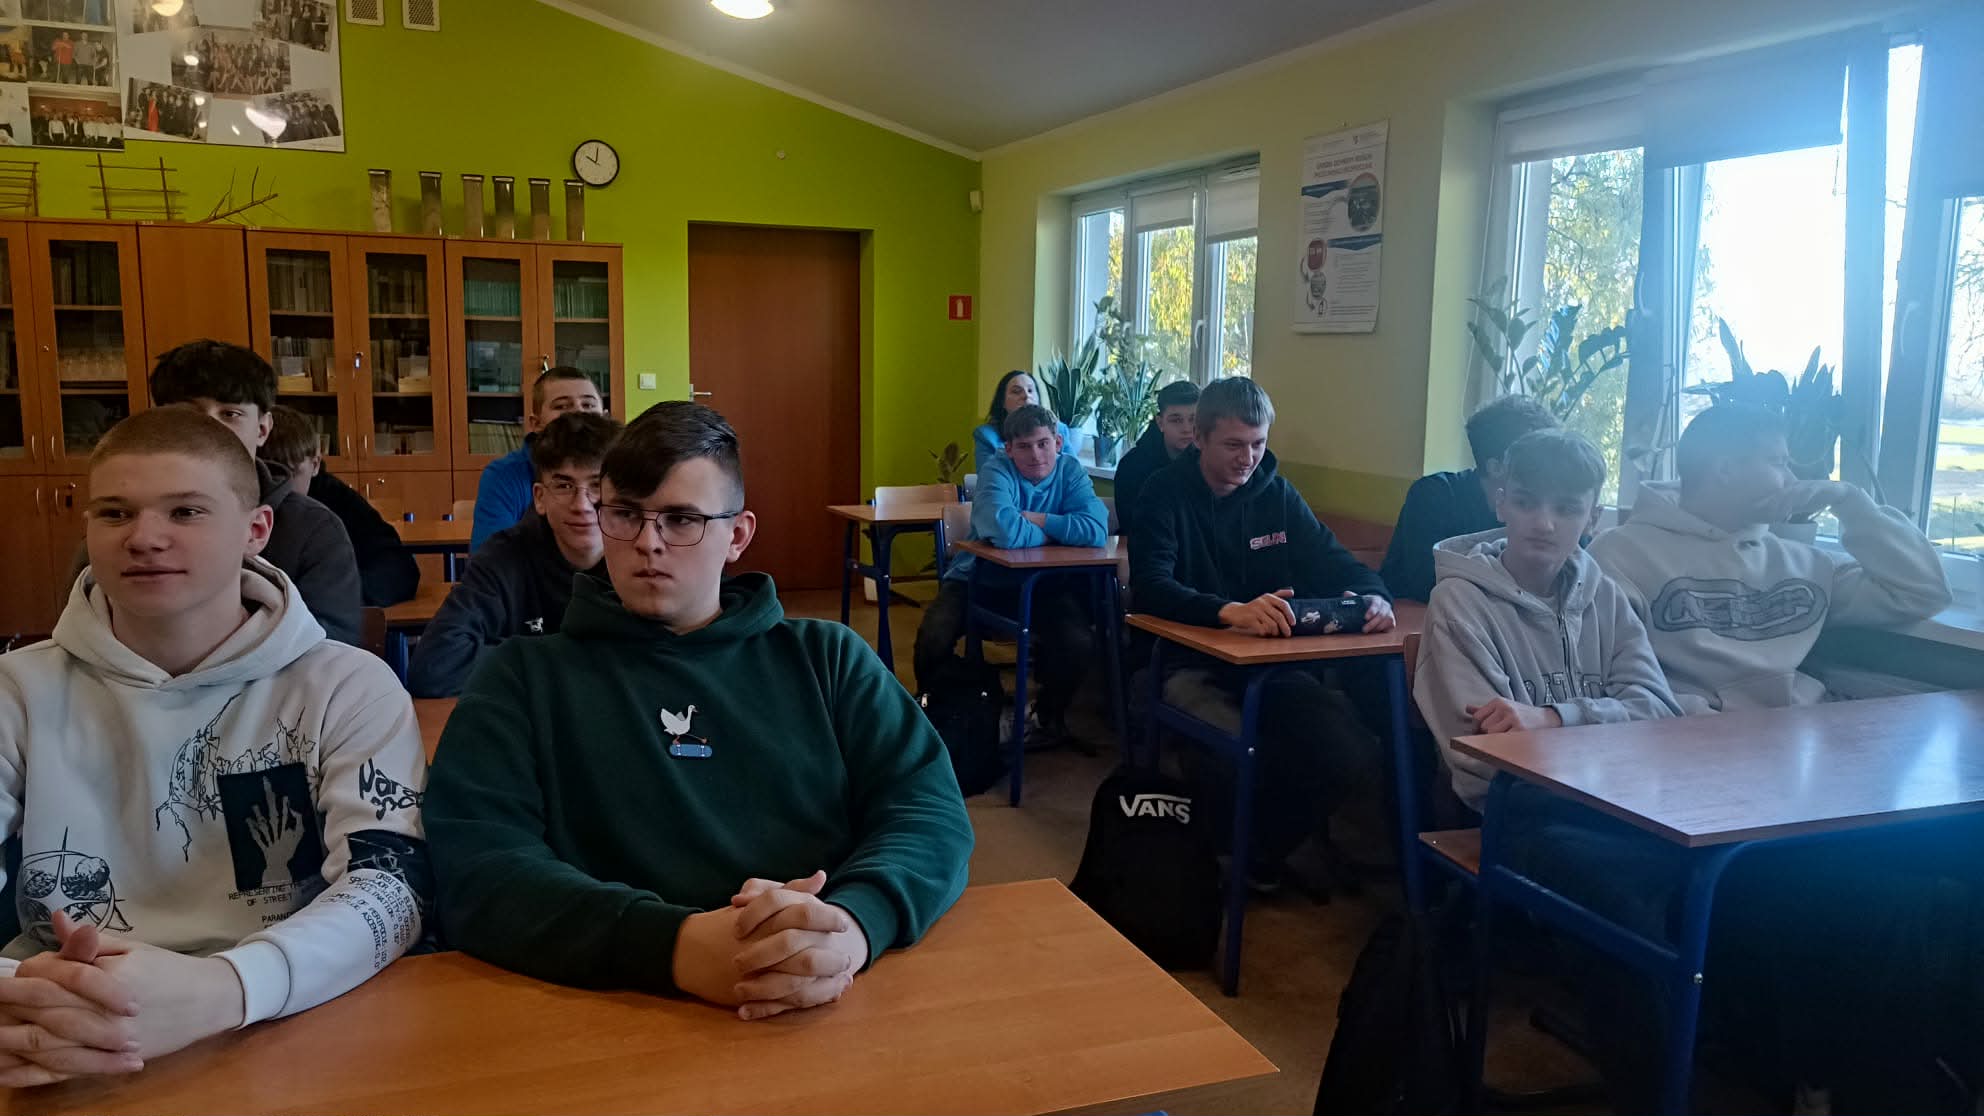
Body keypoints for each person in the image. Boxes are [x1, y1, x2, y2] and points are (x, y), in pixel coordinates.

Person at [423, 402, 973, 1020]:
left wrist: (854, 922)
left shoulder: (829, 660)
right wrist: (672, 946)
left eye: (682, 519)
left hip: (826, 1001)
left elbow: (928, 811)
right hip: (610, 1015)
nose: (647, 542)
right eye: (625, 514)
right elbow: (478, 865)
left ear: (737, 536)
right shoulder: (522, 678)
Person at [0, 407, 429, 1088]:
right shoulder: (17, 689)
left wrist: (228, 987)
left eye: (185, 512)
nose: (145, 538)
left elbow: (390, 888)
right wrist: (26, 995)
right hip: (56, 1016)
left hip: (293, 1013)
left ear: (256, 530)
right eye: (114, 513)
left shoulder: (347, 686)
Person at [1130, 377, 1394, 885]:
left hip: (1267, 666)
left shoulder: (1277, 494)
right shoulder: (1162, 492)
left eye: (1258, 444)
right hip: (1184, 661)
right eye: (1233, 445)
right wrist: (1229, 611)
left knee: (1349, 748)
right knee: (1237, 748)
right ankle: (1214, 855)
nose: (1247, 458)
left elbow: (1335, 561)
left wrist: (1373, 594)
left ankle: (1256, 853)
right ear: (1200, 438)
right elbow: (1151, 586)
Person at [1590, 403, 1950, 713]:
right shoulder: (1620, 555)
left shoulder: (1802, 562)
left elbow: (1922, 592)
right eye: (1778, 462)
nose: (1791, 479)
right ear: (1725, 470)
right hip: (1686, 738)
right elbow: (1602, 677)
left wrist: (1851, 502)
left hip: (1797, 737)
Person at [1413, 429, 1682, 811]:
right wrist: (1609, 733)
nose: (1543, 523)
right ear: (1501, 504)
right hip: (1520, 812)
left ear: (1593, 518)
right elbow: (1484, 755)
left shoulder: (1606, 596)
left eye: (1566, 509)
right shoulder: (1459, 602)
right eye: (1525, 503)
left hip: (1625, 797)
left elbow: (1661, 715)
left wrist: (1555, 719)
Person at [147, 340, 364, 645]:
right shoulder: (124, 522)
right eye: (189, 414)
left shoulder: (313, 529)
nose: (211, 428)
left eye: (231, 414)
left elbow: (330, 647)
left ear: (262, 428)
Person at [914, 404, 1108, 742]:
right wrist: (1060, 531)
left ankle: (1043, 715)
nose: (1035, 455)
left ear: (1058, 443)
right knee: (934, 635)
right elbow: (1005, 532)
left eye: (1043, 444)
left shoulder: (1071, 470)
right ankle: (933, 710)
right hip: (978, 580)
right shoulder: (996, 470)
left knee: (1077, 643)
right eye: (1024, 446)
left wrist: (1039, 520)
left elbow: (1096, 529)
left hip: (1043, 586)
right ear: (1008, 448)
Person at [407, 412, 621, 698]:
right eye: (564, 486)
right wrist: (572, 661)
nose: (582, 505)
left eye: (596, 485)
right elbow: (434, 666)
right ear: (540, 498)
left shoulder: (644, 553)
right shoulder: (504, 556)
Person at [1380, 395, 1558, 602]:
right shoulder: (1434, 495)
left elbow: (1570, 571)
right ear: (1496, 467)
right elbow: (1427, 583)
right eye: (1536, 461)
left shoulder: (1551, 508)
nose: (1549, 471)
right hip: (1413, 614)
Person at [260, 406, 418, 609]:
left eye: (291, 473)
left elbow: (398, 570)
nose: (279, 486)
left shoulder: (335, 498)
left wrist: (334, 594)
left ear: (315, 465)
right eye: (268, 473)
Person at [470, 367, 604, 552]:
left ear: (605, 416)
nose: (578, 414)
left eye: (588, 405)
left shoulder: (620, 469)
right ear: (536, 423)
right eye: (562, 406)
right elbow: (489, 557)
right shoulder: (504, 474)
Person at [1110, 380, 1198, 538]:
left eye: (1193, 420)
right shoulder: (1131, 466)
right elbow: (1134, 526)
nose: (1186, 429)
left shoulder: (1213, 463)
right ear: (1160, 423)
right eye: (1176, 420)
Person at [971, 370, 1070, 468]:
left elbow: (1073, 470)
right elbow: (988, 474)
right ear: (1002, 402)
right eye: (1016, 392)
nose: (1026, 396)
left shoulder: (1059, 429)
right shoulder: (986, 436)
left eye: (1030, 391)